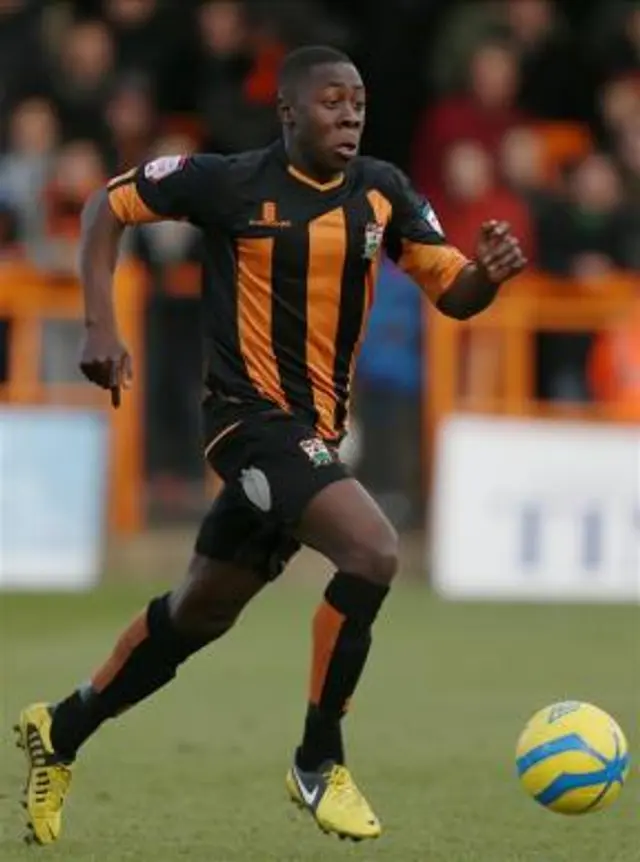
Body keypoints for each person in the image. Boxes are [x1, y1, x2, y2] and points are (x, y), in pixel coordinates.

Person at [15, 45, 525, 846]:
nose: (350, 115)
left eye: (358, 102)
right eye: (332, 101)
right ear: (288, 112)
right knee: (372, 552)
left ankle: (61, 729)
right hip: (245, 422)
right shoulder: (228, 183)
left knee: (201, 611)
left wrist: (487, 275)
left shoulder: (382, 192)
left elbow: (453, 292)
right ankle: (318, 760)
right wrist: (99, 324)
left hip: (313, 438)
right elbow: (106, 208)